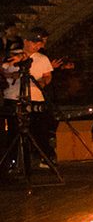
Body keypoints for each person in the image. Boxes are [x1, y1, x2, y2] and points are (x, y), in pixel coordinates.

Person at [2, 28, 57, 163]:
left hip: (36, 98)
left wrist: (43, 82)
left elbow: (47, 75)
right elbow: (3, 71)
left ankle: (44, 157)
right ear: (26, 41)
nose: (38, 46)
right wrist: (12, 75)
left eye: (40, 44)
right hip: (14, 97)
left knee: (40, 129)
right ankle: (12, 161)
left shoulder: (42, 58)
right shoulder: (13, 55)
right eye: (35, 43)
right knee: (14, 131)